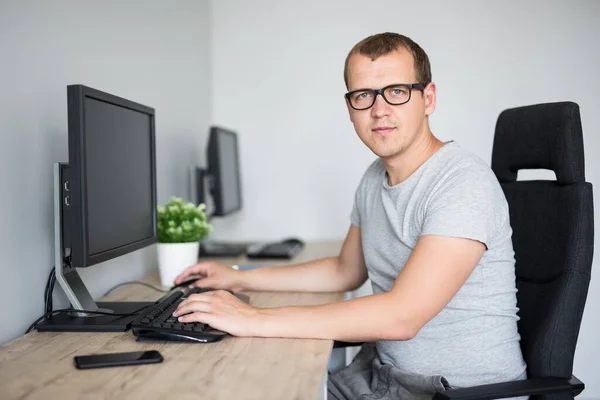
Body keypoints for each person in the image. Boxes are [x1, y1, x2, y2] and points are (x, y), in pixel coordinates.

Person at [173, 32, 527, 399]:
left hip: (458, 391)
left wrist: (252, 319)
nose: (379, 110)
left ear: (429, 99)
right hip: (387, 377)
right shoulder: (374, 178)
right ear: (350, 109)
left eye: (397, 91)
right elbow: (345, 270)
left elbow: (401, 316)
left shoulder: (463, 182)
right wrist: (237, 278)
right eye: (364, 96)